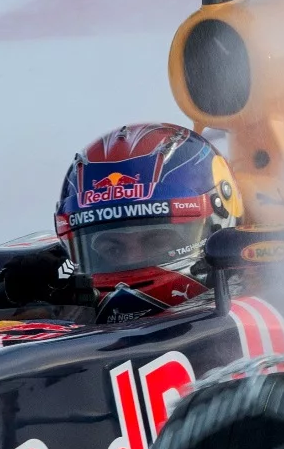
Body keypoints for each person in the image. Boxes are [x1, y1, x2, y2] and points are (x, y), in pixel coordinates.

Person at [54, 123, 239, 323]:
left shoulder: (271, 290)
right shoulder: (66, 321)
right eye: (113, 251)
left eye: (157, 243)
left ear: (219, 222)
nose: (130, 261)